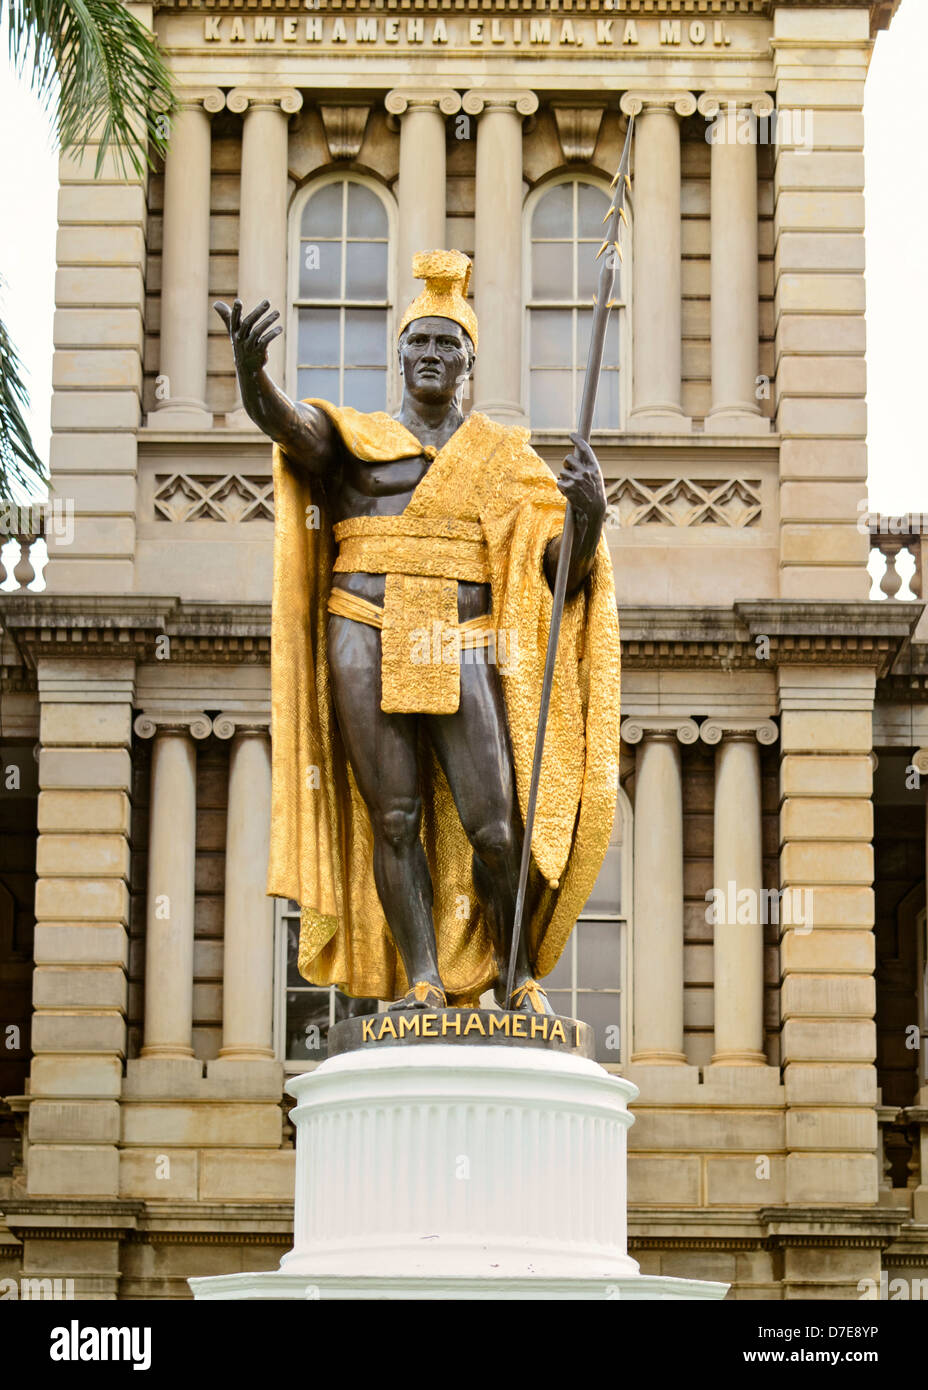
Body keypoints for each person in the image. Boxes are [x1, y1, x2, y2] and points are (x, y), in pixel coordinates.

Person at [215, 249, 621, 1014]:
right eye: (419, 343)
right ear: (398, 355)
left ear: (469, 361)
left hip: (464, 639)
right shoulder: (357, 439)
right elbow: (290, 426)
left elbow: (555, 571)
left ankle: (516, 974)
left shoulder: (504, 458)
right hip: (362, 628)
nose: (432, 355)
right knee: (393, 817)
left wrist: (590, 518)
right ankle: (423, 979)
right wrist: (250, 376)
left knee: (497, 825)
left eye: (447, 344)